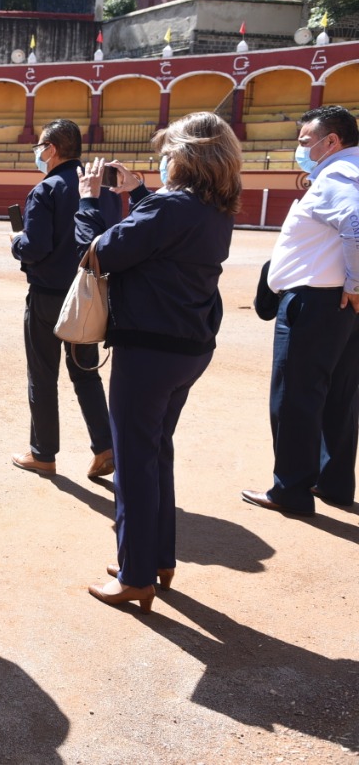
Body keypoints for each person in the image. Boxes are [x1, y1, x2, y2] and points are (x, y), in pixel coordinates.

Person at [75, 112, 241, 612]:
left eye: (168, 152)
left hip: (149, 348)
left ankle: (137, 574)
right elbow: (168, 237)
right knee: (155, 453)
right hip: (188, 346)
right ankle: (155, 558)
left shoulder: (171, 207)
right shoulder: (215, 206)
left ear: (187, 158)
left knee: (134, 460)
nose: (163, 159)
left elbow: (94, 254)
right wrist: (143, 193)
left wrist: (90, 202)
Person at [243, 106, 359, 516]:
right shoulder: (352, 170)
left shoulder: (338, 175)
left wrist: (356, 282)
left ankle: (291, 489)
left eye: (306, 140)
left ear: (332, 141)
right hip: (341, 304)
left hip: (316, 301)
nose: (300, 148)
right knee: (340, 396)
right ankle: (335, 483)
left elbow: (356, 223)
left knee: (295, 397)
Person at [9, 119, 119, 479]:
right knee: (85, 373)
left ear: (51, 149)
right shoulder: (99, 187)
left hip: (47, 298)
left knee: (42, 373)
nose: (38, 153)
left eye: (40, 146)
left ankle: (43, 453)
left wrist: (16, 244)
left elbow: (35, 247)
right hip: (86, 296)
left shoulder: (47, 189)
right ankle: (105, 447)